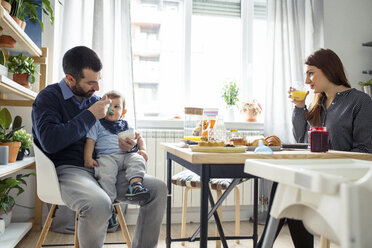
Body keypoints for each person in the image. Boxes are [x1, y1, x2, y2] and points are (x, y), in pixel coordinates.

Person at [32, 46, 167, 248]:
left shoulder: (95, 101)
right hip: (69, 171)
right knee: (99, 204)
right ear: (70, 79)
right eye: (90, 82)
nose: (97, 88)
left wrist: (128, 147)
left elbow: (111, 137)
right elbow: (50, 142)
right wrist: (90, 115)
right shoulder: (48, 98)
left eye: (98, 80)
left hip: (103, 168)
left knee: (157, 189)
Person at [257, 48, 372, 247]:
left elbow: (365, 151)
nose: (308, 80)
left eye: (311, 72)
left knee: (288, 185)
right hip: (318, 173)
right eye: (306, 74)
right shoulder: (318, 103)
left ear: (329, 70)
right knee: (287, 183)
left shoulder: (360, 101)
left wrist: (329, 159)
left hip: (345, 178)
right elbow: (302, 139)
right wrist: (300, 106)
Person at [84, 90, 150, 203]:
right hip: (107, 156)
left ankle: (135, 186)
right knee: (106, 173)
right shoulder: (98, 123)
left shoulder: (126, 125)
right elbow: (90, 141)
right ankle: (108, 203)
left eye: (116, 106)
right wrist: (88, 158)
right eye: (109, 106)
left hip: (126, 155)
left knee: (137, 159)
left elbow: (139, 137)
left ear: (123, 111)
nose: (112, 109)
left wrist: (143, 149)